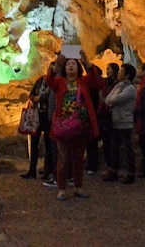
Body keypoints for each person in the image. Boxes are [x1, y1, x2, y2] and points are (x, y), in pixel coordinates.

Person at [46, 49, 103, 201]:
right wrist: (57, 64)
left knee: (78, 158)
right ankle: (62, 189)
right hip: (63, 125)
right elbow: (49, 80)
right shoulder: (59, 82)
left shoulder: (83, 82)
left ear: (78, 68)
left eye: (74, 64)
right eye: (68, 64)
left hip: (80, 125)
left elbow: (97, 81)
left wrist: (87, 62)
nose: (71, 66)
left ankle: (78, 187)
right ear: (65, 68)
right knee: (63, 158)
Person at [103, 63, 137, 184]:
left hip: (125, 121)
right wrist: (112, 98)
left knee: (127, 148)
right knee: (115, 146)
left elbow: (115, 99)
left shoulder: (130, 88)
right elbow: (108, 99)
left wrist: (113, 98)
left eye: (121, 72)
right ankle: (114, 170)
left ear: (127, 75)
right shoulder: (118, 86)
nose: (118, 73)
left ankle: (131, 173)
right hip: (116, 121)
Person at [21, 63, 55, 181]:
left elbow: (51, 97)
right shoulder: (40, 80)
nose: (50, 71)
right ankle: (32, 170)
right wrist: (34, 98)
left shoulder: (55, 82)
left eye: (52, 69)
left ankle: (47, 170)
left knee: (48, 144)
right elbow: (32, 93)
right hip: (37, 115)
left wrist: (40, 98)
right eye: (49, 68)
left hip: (48, 116)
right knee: (34, 143)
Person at [97, 62, 120, 177]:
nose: (107, 71)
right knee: (106, 141)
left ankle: (113, 165)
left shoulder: (117, 84)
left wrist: (102, 98)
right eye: (106, 68)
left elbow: (108, 99)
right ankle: (109, 164)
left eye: (109, 69)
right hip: (103, 114)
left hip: (111, 115)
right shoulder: (105, 82)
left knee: (112, 141)